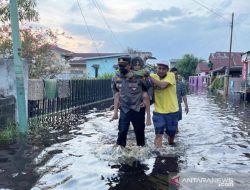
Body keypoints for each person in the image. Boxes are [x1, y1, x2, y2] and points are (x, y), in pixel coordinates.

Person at [112, 56, 151, 147]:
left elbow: (150, 89)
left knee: (140, 133)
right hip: (125, 109)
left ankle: (141, 155)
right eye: (120, 65)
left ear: (129, 66)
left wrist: (146, 102)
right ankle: (120, 153)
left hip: (138, 108)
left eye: (124, 65)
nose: (121, 68)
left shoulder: (140, 77)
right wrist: (116, 110)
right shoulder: (115, 78)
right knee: (122, 131)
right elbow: (116, 94)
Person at [149, 61, 179, 147]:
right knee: (158, 134)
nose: (161, 71)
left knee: (171, 133)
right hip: (158, 111)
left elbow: (162, 85)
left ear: (167, 70)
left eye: (163, 69)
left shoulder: (171, 75)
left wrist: (150, 78)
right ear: (156, 68)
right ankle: (158, 153)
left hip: (172, 111)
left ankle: (171, 143)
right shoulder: (153, 76)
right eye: (159, 68)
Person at [170, 67, 189, 132]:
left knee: (176, 124)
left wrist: (186, 106)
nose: (175, 76)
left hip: (177, 106)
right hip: (168, 106)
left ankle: (176, 139)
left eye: (176, 74)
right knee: (167, 125)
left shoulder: (181, 84)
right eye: (173, 74)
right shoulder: (166, 83)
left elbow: (184, 95)